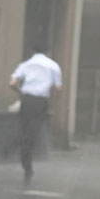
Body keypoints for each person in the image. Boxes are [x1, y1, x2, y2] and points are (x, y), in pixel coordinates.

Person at [9, 42, 62, 185]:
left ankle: (25, 158)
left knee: (26, 130)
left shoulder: (25, 65)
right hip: (41, 101)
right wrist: (52, 101)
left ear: (32, 51)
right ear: (48, 51)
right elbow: (58, 88)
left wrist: (22, 93)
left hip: (27, 100)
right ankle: (28, 148)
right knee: (34, 131)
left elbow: (12, 83)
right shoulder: (53, 66)